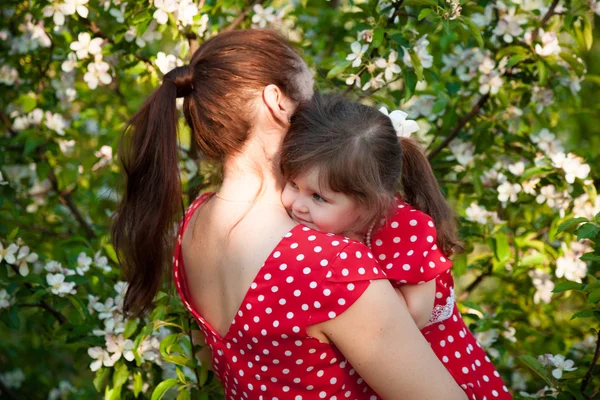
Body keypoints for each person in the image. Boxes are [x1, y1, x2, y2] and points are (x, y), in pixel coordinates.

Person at [112, 29, 468, 399]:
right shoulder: (327, 265)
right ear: (276, 101)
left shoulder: (192, 226)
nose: (319, 109)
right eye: (311, 94)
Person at [280, 93, 512, 400]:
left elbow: (413, 315)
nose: (297, 205)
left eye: (318, 197)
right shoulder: (328, 221)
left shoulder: (406, 230)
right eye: (293, 184)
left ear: (368, 202)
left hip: (432, 367)